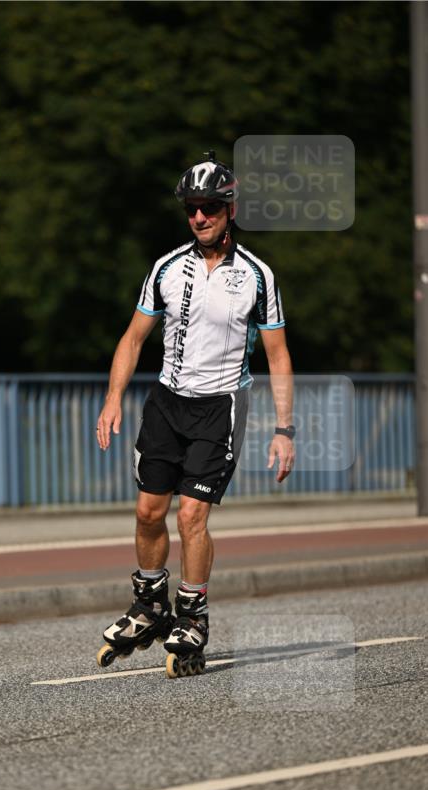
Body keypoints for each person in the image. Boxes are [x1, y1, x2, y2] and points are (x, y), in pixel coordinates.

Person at [96, 152, 295, 678]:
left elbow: (277, 355)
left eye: (209, 207)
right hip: (166, 402)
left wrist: (283, 429)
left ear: (229, 209)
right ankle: (150, 604)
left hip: (219, 407)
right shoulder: (165, 267)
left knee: (191, 516)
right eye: (192, 209)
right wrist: (113, 397)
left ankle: (194, 617)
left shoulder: (257, 275)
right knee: (146, 511)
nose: (200, 217)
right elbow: (134, 337)